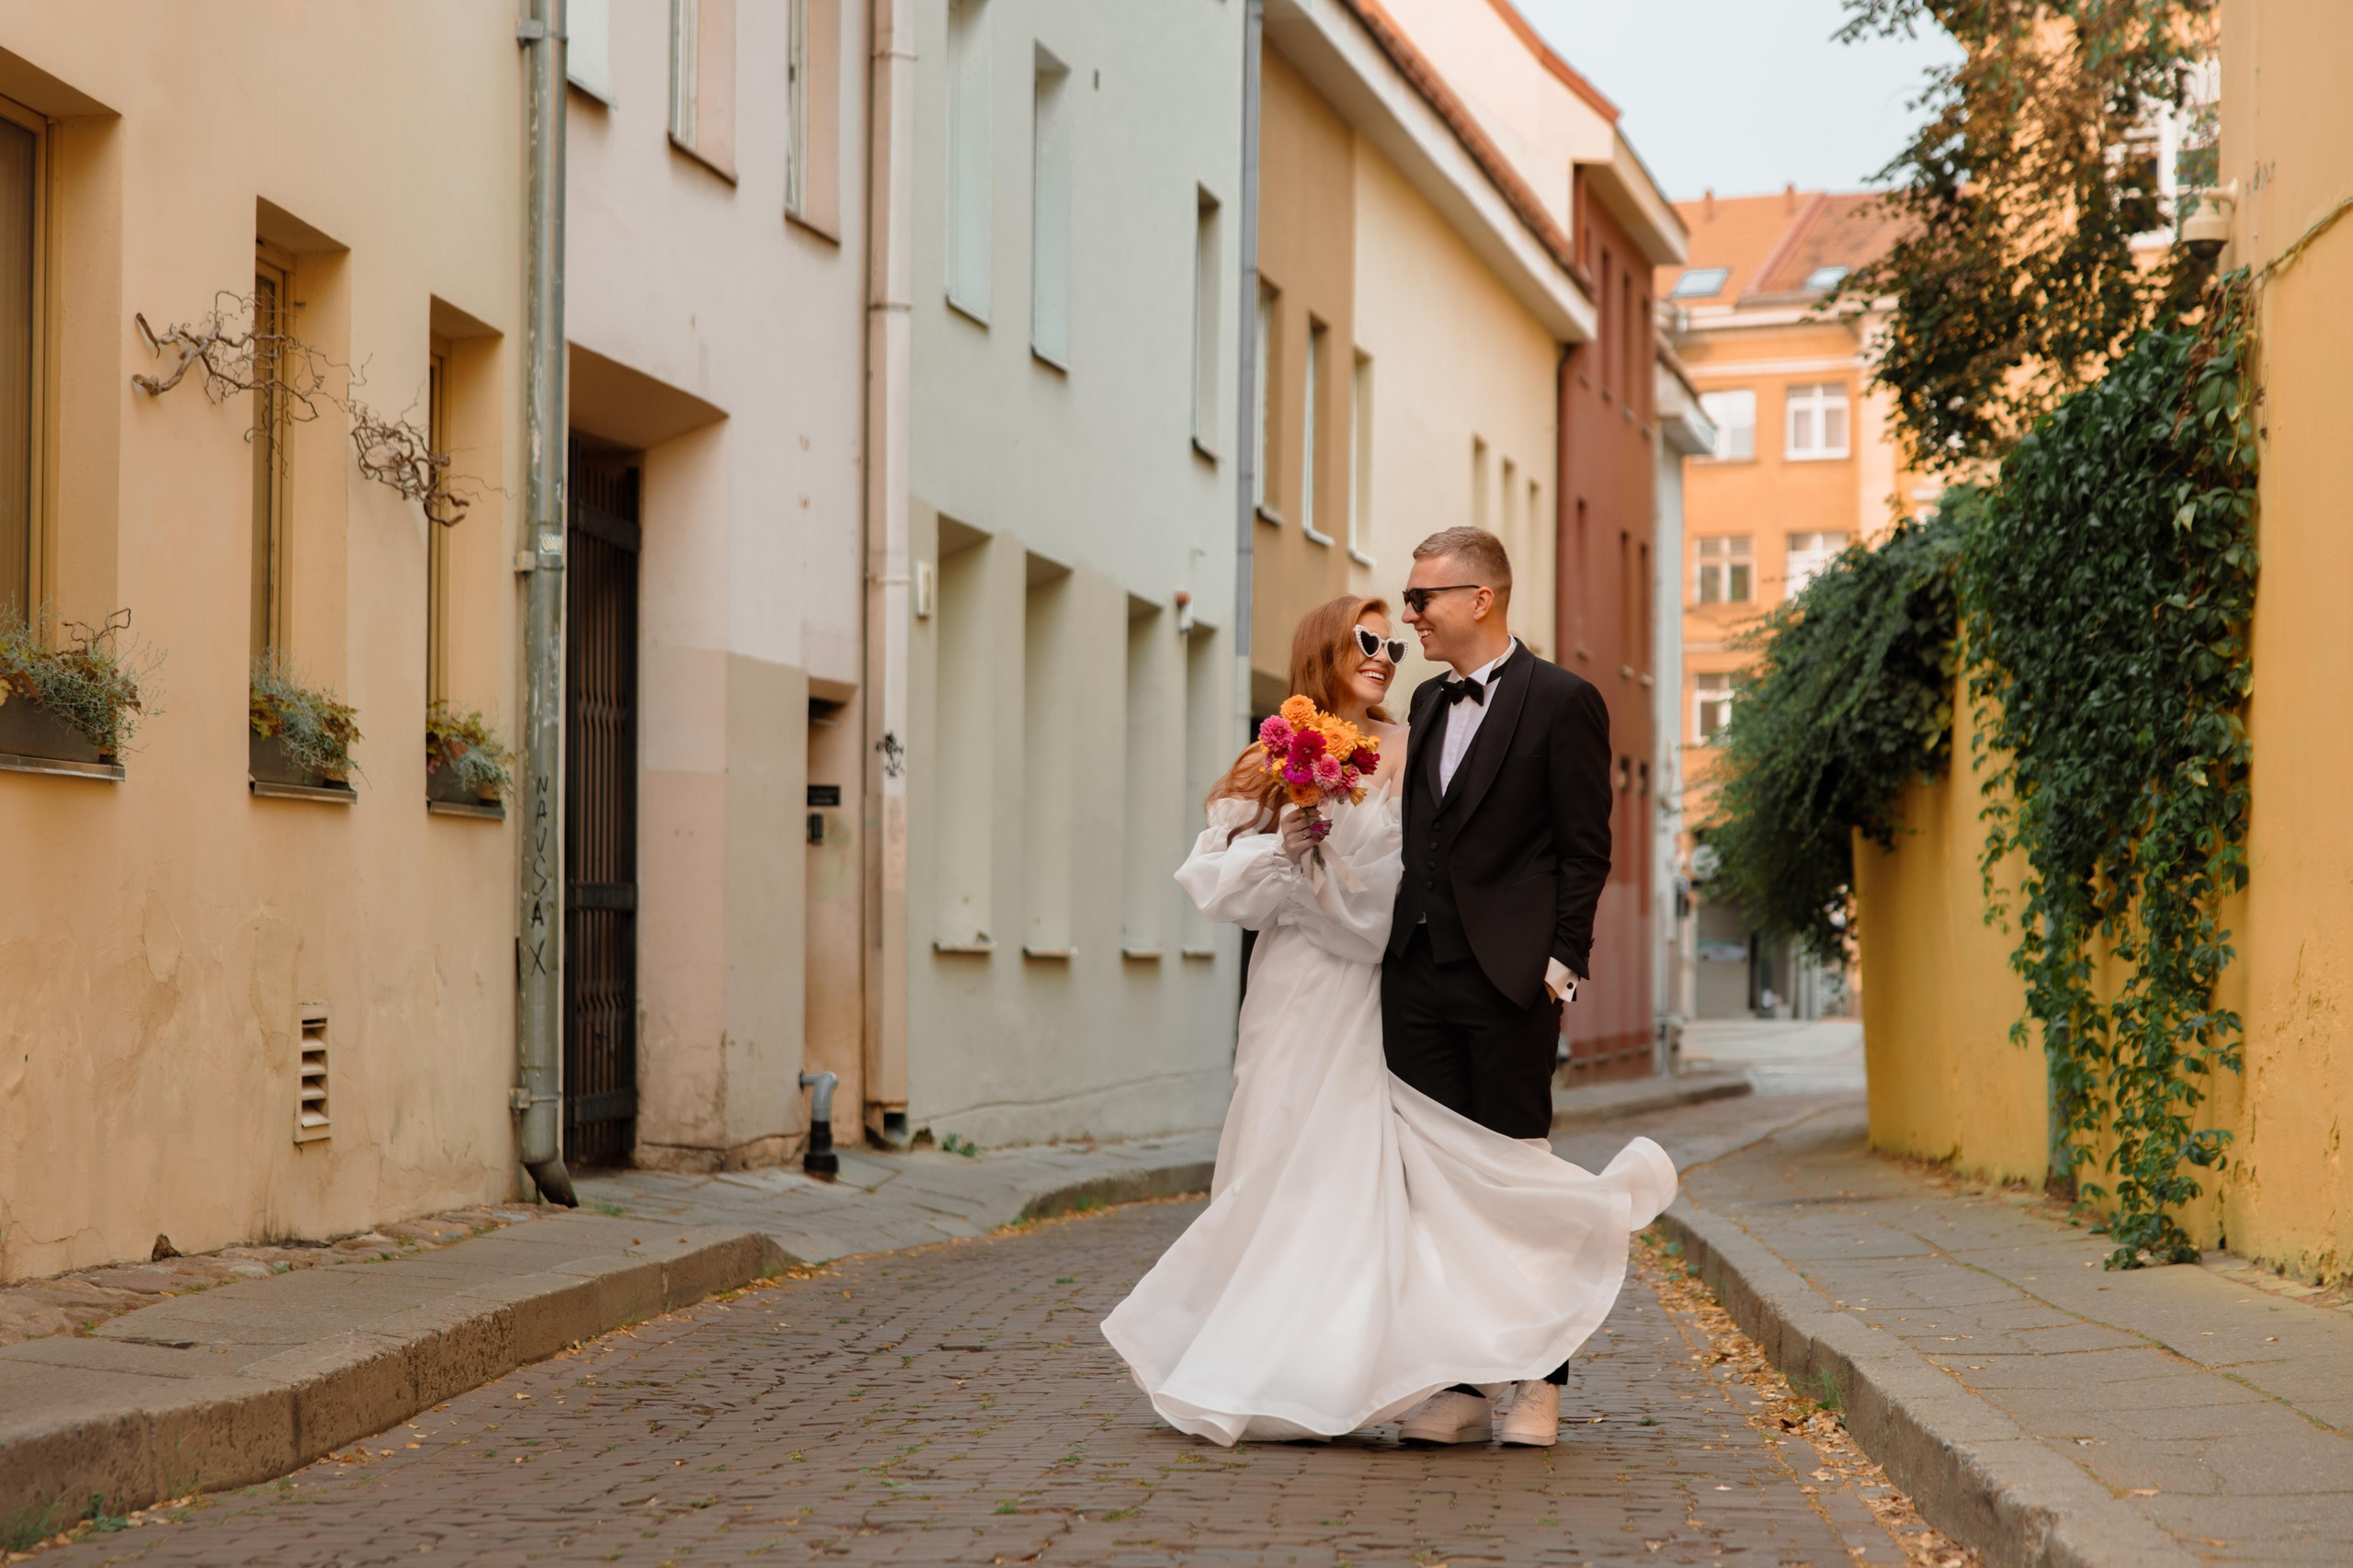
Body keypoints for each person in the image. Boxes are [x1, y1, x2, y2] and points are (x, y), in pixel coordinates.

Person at [1100, 578, 1673, 1449]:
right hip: (1296, 988)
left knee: (1393, 1179)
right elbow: (1216, 886)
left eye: (1394, 646)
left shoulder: (1416, 739)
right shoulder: (1268, 759)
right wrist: (1285, 851)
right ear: (1323, 652)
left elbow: (1444, 869)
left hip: (1386, 984)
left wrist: (1550, 958)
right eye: (1368, 643)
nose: (1386, 657)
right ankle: (1286, 1363)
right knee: (1276, 1162)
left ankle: (1453, 1371)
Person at [1381, 524, 1618, 1447]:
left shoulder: (1563, 700)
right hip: (1416, 976)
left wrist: (1559, 966)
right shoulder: (1425, 700)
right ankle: (1462, 1387)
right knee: (1434, 1188)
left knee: (1519, 1182)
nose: (1410, 615)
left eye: (1422, 597)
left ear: (1479, 598)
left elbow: (1583, 848)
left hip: (1512, 982)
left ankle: (1540, 1381)